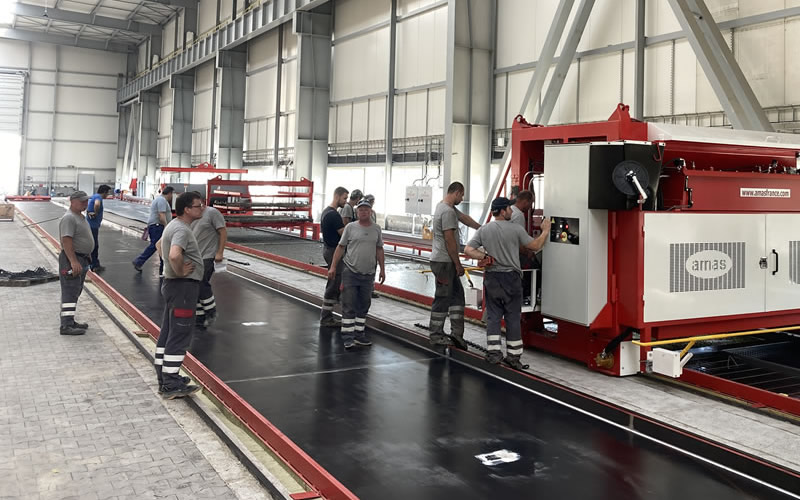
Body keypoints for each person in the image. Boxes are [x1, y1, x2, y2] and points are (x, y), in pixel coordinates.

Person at [464, 197, 550, 370]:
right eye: (509, 209)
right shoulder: (516, 229)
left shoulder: (484, 229)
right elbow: (535, 246)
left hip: (492, 278)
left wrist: (485, 257)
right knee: (512, 317)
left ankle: (494, 354)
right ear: (503, 211)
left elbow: (468, 249)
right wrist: (545, 230)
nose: (512, 211)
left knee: (493, 317)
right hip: (511, 279)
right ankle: (513, 357)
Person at [153, 191, 205, 399]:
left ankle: (165, 377)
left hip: (173, 286)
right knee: (180, 333)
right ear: (187, 209)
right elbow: (174, 254)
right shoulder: (182, 230)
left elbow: (159, 246)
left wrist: (170, 268)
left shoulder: (173, 225)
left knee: (168, 333)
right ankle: (171, 384)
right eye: (198, 206)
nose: (202, 208)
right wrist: (180, 270)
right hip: (183, 288)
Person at [428, 181, 481, 349]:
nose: (462, 198)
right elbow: (449, 240)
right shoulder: (447, 212)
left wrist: (482, 229)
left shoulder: (444, 207)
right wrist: (458, 264)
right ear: (457, 192)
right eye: (462, 195)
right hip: (445, 262)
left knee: (457, 297)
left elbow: (464, 218)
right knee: (443, 298)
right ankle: (436, 334)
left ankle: (456, 334)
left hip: (445, 261)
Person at [328, 199, 386, 349]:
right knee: (349, 304)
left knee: (364, 304)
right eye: (361, 210)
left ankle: (359, 334)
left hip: (369, 274)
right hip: (351, 272)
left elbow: (379, 249)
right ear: (357, 212)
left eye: (366, 209)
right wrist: (333, 266)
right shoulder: (350, 227)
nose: (363, 212)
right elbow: (341, 247)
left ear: (371, 212)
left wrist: (382, 269)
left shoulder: (376, 229)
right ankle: (348, 336)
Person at [58, 191, 94, 336]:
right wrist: (73, 261)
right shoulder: (69, 218)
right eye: (82, 201)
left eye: (86, 201)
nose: (85, 204)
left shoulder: (79, 216)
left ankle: (70, 321)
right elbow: (66, 240)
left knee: (75, 291)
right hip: (72, 259)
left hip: (81, 258)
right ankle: (66, 326)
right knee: (70, 291)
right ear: (72, 201)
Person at [191, 197, 227, 329]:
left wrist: (220, 252)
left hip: (208, 255)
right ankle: (199, 318)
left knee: (201, 282)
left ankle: (211, 311)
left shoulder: (212, 213)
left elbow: (223, 232)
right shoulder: (191, 215)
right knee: (194, 285)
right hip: (194, 256)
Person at [319, 186, 349, 327]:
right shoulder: (333, 215)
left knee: (335, 282)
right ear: (337, 196)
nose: (346, 201)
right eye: (344, 198)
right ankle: (326, 317)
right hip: (333, 252)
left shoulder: (326, 211)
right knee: (333, 284)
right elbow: (344, 235)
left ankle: (329, 314)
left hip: (328, 249)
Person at [133, 186, 174, 274]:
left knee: (160, 246)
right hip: (158, 226)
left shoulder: (160, 199)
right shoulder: (162, 200)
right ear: (170, 193)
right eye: (172, 194)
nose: (172, 197)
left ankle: (163, 267)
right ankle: (139, 261)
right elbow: (161, 215)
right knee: (157, 245)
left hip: (156, 226)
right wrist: (166, 227)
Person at [86, 184, 112, 272]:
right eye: (107, 193)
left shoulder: (95, 196)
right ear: (104, 192)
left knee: (93, 245)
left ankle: (92, 263)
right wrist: (96, 213)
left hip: (91, 225)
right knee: (94, 245)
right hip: (92, 226)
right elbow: (97, 204)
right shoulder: (98, 197)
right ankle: (94, 265)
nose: (107, 195)